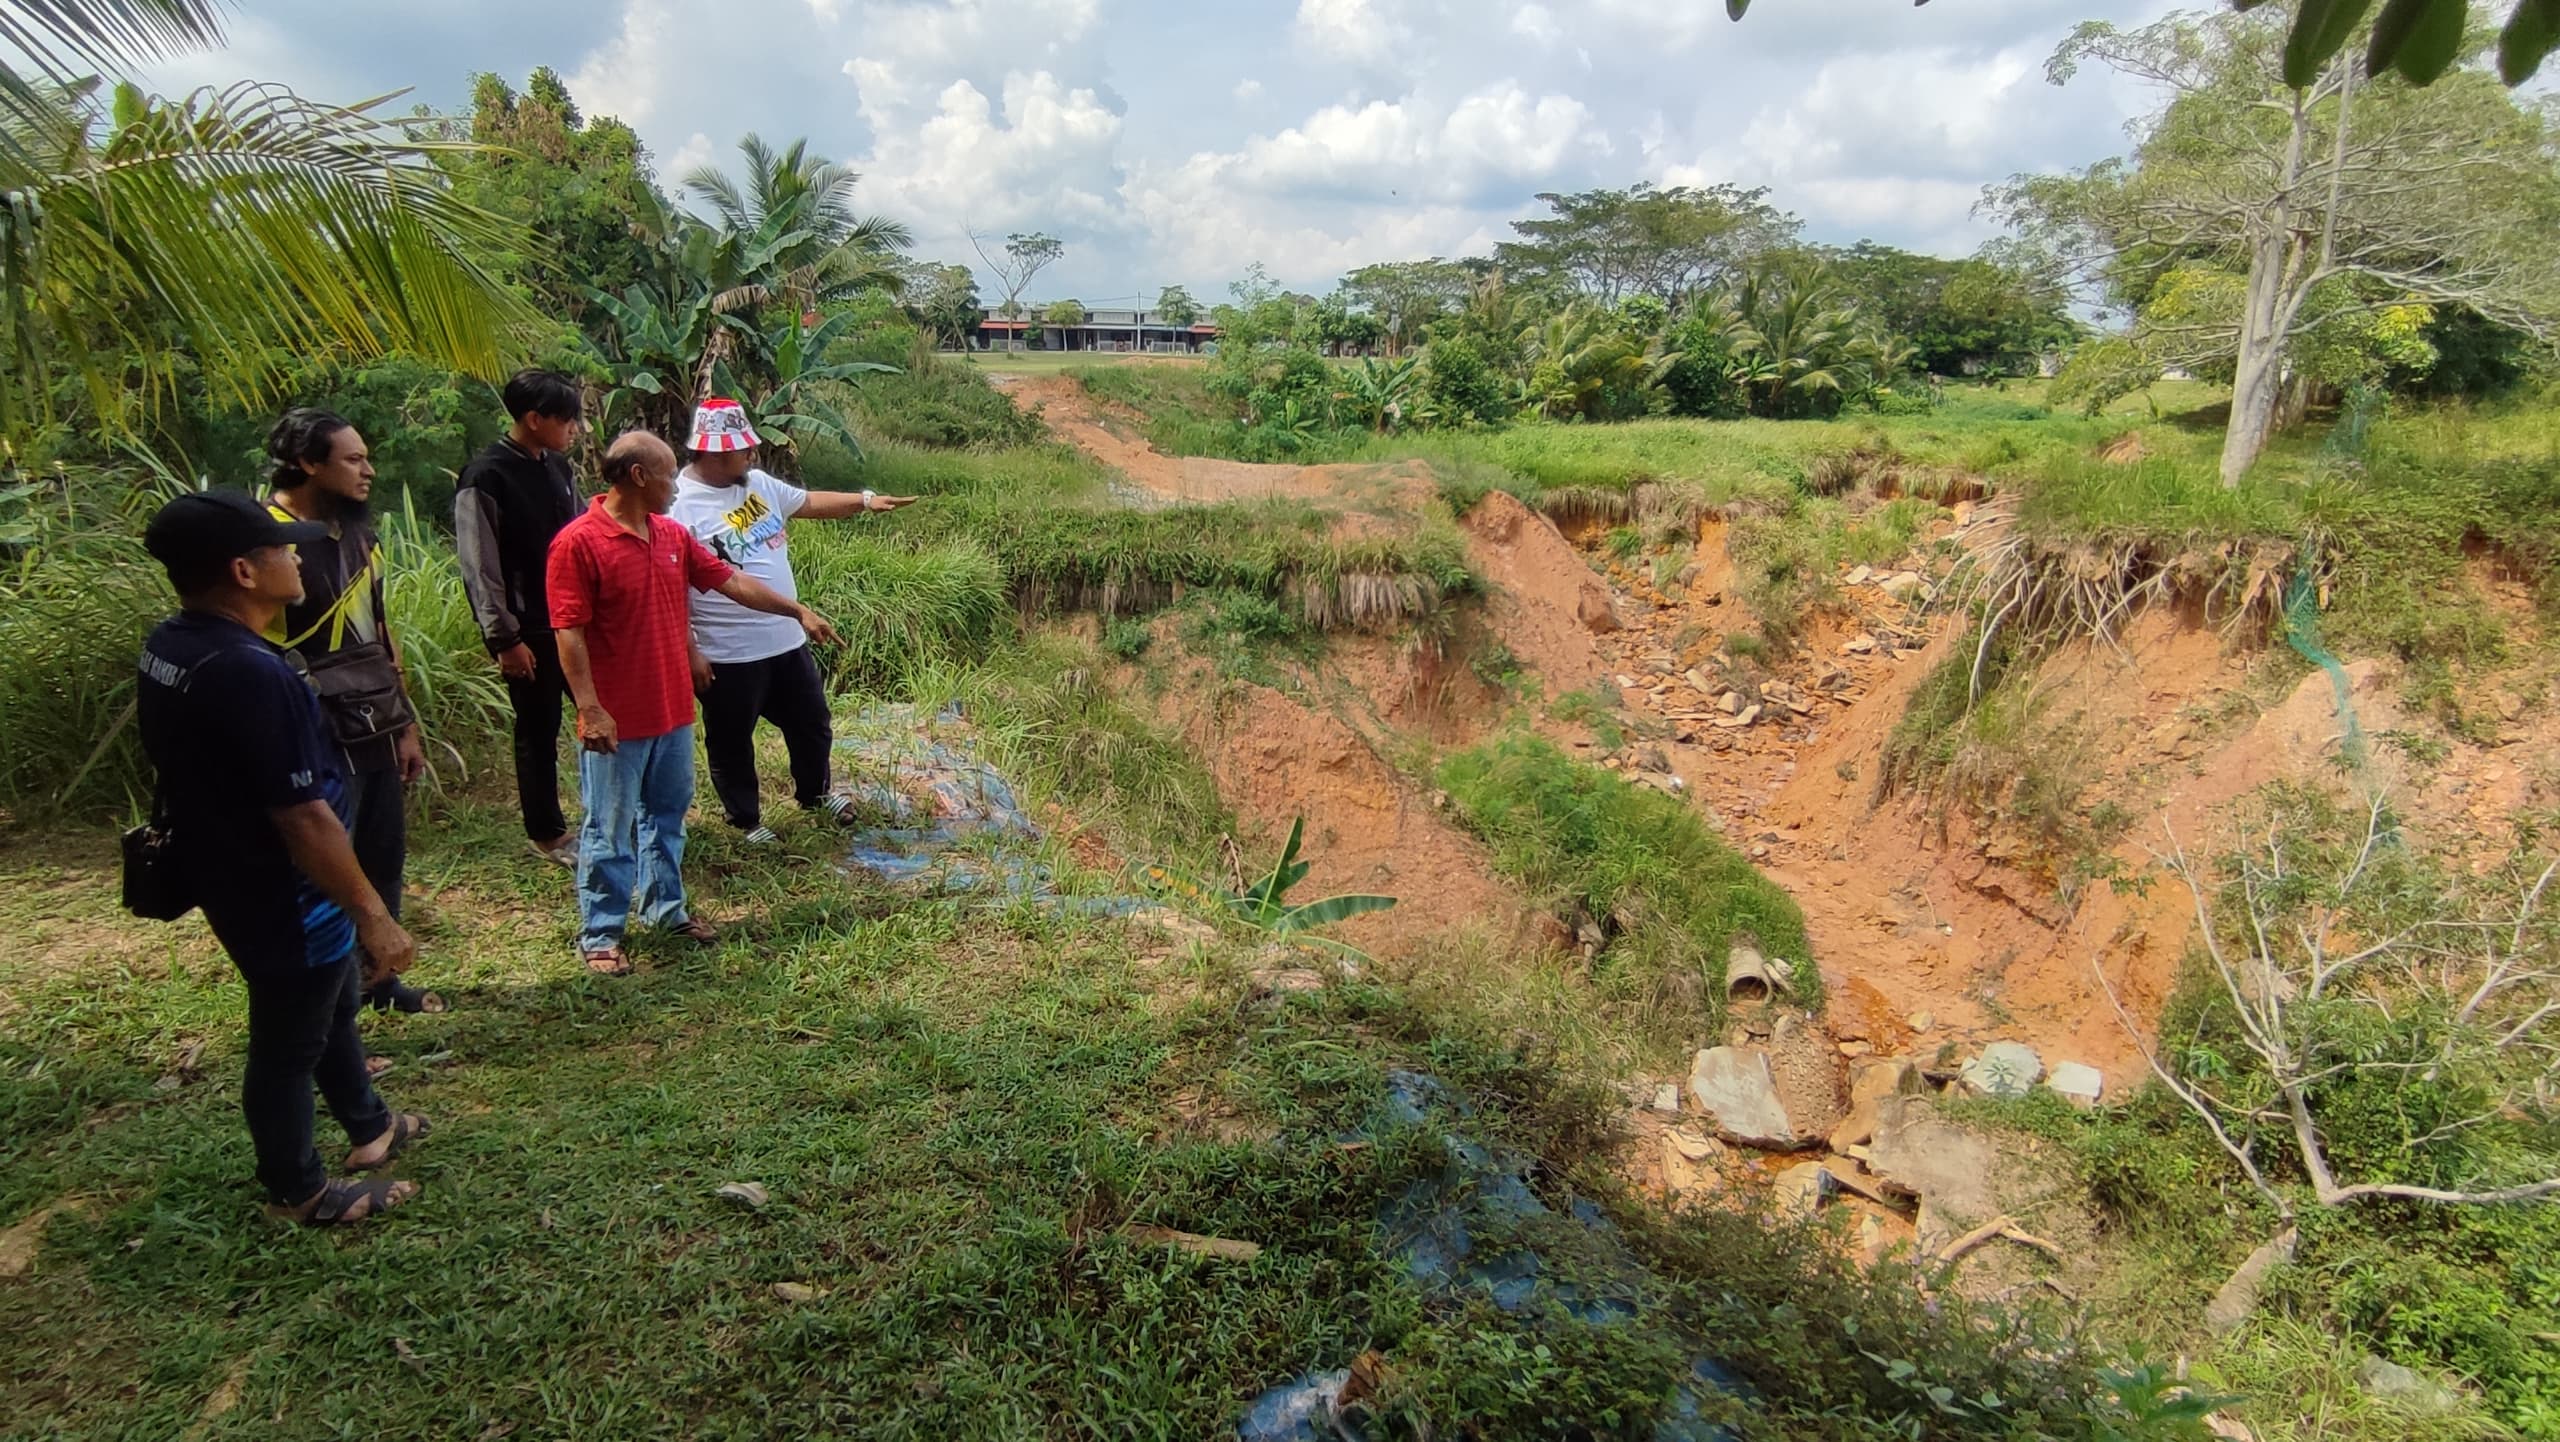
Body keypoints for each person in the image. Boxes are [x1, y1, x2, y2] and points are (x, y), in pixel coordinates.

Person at [136, 490, 430, 1226]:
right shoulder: (251, 671)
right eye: (282, 549)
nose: (297, 557)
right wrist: (375, 917)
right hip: (282, 886)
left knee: (328, 1009)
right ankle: (297, 1190)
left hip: (229, 869)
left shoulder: (173, 644)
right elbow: (303, 817)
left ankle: (370, 1125)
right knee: (289, 1041)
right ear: (243, 570)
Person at [548, 430, 840, 976]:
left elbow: (731, 581)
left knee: (666, 816)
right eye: (666, 475)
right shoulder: (578, 543)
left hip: (672, 710)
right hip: (617, 718)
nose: (674, 486)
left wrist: (795, 610)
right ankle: (601, 934)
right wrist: (589, 708)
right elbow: (569, 634)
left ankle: (666, 910)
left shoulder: (671, 535)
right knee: (608, 829)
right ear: (638, 477)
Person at [668, 398, 917, 844]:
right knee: (731, 740)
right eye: (743, 450)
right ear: (713, 452)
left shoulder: (758, 483)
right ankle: (745, 820)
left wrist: (865, 501)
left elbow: (807, 502)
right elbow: (672, 592)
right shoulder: (678, 508)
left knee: (812, 722)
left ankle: (815, 795)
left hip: (784, 640)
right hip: (727, 650)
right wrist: (690, 650)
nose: (752, 455)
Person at [262, 409, 442, 1020]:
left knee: (379, 853)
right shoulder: (265, 537)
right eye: (352, 460)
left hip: (373, 720)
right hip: (307, 724)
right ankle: (331, 1012)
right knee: (325, 870)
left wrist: (405, 725)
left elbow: (382, 634)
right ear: (308, 464)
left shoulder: (360, 536)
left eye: (366, 458)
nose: (368, 471)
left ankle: (377, 982)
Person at [456, 369, 585, 867]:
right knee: (538, 727)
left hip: (571, 618)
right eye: (566, 419)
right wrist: (503, 637)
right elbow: (478, 563)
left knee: (600, 711)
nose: (573, 429)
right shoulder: (486, 476)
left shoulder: (557, 467)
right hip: (526, 625)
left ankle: (613, 811)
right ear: (534, 419)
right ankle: (547, 832)